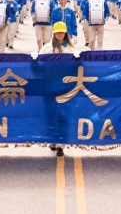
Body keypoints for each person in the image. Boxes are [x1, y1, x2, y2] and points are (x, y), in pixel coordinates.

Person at [39, 21, 77, 157]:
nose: (60, 34)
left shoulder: (72, 50)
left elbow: (77, 68)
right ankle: (52, 140)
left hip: (65, 89)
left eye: (62, 32)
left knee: (63, 116)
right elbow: (39, 67)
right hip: (49, 88)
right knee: (50, 115)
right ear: (54, 33)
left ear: (66, 33)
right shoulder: (46, 49)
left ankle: (61, 144)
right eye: (58, 32)